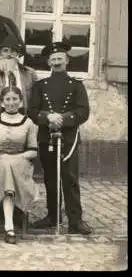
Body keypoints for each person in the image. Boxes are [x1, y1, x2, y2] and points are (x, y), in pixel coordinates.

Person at [28, 42, 92, 235]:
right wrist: (47, 117)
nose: (56, 62)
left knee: (70, 179)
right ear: (48, 62)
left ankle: (75, 220)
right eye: (53, 59)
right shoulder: (40, 86)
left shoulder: (76, 85)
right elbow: (32, 110)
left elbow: (83, 111)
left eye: (60, 58)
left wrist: (63, 119)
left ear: (67, 60)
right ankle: (53, 216)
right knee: (50, 178)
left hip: (69, 138)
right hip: (47, 137)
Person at [0, 86, 39, 244]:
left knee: (8, 167)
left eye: (15, 99)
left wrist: (16, 157)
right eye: (8, 100)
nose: (11, 103)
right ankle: (9, 227)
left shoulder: (28, 123)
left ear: (20, 101)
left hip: (20, 162)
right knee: (5, 168)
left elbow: (33, 151)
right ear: (2, 103)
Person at [0, 35, 38, 123]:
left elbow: (36, 101)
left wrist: (28, 122)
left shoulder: (30, 73)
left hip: (23, 118)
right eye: (5, 50)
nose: (9, 55)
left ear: (18, 54)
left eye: (13, 51)